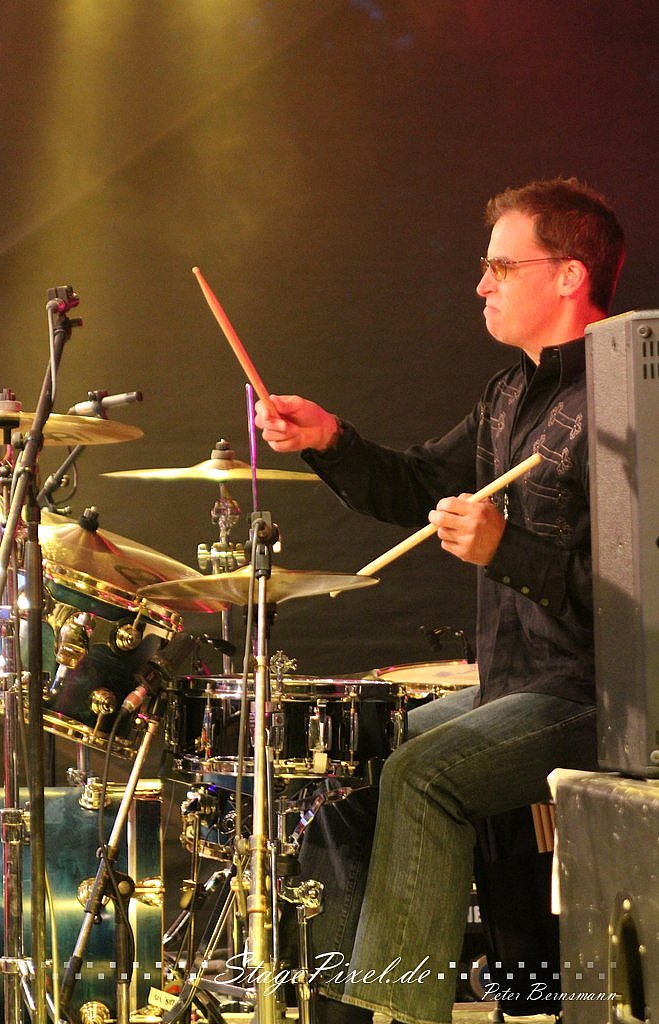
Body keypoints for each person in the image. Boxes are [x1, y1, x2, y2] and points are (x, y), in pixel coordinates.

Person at [254, 177, 625, 1024]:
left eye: (501, 266)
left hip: (600, 692)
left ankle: (403, 1010)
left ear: (569, 275)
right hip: (516, 681)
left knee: (423, 776)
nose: (480, 284)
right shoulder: (507, 394)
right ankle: (338, 1010)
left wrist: (506, 551)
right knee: (356, 758)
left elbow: (634, 598)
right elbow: (416, 481)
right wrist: (328, 440)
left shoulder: (628, 400)